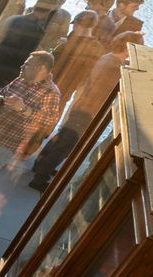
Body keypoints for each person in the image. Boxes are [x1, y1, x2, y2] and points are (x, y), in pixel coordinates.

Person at [31, 31, 138, 189]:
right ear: (128, 48)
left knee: (62, 137)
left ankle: (39, 166)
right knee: (67, 145)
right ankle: (39, 179)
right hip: (89, 111)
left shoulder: (107, 57)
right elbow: (115, 90)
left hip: (81, 106)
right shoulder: (115, 68)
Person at [0, 50, 62, 204]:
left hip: (4, 145)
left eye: (28, 64)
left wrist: (23, 108)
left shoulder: (51, 93)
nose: (22, 66)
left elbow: (49, 122)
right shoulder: (20, 80)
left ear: (42, 69)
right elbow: (3, 96)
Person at [0, 0, 60, 94]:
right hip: (5, 78)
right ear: (49, 12)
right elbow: (23, 57)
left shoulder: (13, 19)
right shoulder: (37, 30)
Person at [51, 11, 105, 103]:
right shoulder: (98, 49)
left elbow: (49, 65)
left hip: (50, 87)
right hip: (69, 91)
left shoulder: (65, 46)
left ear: (76, 23)